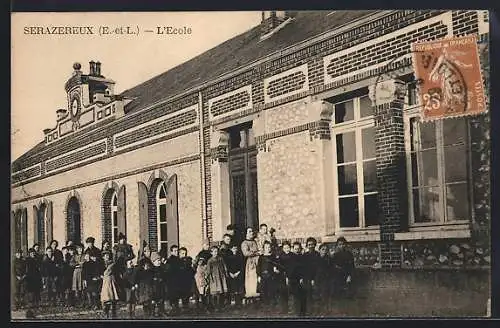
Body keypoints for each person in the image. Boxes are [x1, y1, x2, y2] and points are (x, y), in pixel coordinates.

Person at [205, 246, 228, 311]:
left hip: (220, 277)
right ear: (211, 253)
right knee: (214, 293)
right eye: (214, 252)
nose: (216, 253)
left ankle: (219, 306)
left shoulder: (220, 259)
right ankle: (214, 306)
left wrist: (225, 274)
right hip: (214, 278)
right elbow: (208, 270)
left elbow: (224, 266)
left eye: (217, 251)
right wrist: (208, 277)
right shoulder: (210, 260)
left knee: (220, 292)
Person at [257, 241, 279, 307]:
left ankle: (272, 301)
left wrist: (275, 268)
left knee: (271, 288)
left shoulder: (273, 256)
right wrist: (259, 275)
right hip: (263, 275)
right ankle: (265, 302)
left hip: (271, 275)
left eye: (269, 247)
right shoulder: (261, 257)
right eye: (266, 247)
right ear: (264, 248)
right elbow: (258, 267)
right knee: (263, 288)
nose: (268, 248)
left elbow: (275, 264)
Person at [302, 237, 320, 315]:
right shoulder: (305, 255)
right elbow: (303, 268)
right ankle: (309, 311)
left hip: (316, 278)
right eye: (309, 245)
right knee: (307, 295)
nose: (311, 246)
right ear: (307, 246)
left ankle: (316, 311)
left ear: (315, 245)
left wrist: (314, 278)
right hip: (307, 278)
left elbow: (318, 268)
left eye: (312, 244)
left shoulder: (317, 255)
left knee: (315, 295)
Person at [241, 227, 260, 301]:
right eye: (249, 231)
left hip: (257, 261)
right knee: (251, 278)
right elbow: (246, 253)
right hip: (250, 263)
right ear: (246, 233)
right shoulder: (244, 243)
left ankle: (256, 295)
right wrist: (256, 253)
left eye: (252, 231)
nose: (251, 233)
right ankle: (250, 295)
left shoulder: (254, 242)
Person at [100, 251, 120, 319]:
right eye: (105, 256)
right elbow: (99, 271)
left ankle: (113, 313)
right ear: (103, 257)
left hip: (111, 281)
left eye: (108, 255)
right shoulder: (101, 264)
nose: (107, 257)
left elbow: (114, 272)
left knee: (112, 296)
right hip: (103, 282)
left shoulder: (112, 264)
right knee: (105, 297)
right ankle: (105, 312)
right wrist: (101, 275)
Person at [316, 243, 334, 314]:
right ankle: (318, 310)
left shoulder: (329, 259)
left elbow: (331, 270)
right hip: (317, 279)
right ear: (319, 250)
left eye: (326, 250)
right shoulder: (316, 259)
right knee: (317, 295)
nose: (324, 251)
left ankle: (325, 310)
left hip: (326, 280)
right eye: (322, 249)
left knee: (325, 295)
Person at [136, 254, 155, 318]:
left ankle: (151, 314)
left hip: (149, 289)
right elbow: (138, 281)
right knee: (145, 302)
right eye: (145, 265)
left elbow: (152, 281)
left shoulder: (151, 272)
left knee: (150, 302)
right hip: (143, 290)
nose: (147, 266)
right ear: (143, 266)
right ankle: (146, 314)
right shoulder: (140, 273)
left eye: (148, 265)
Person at [166, 245, 182, 314]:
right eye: (175, 251)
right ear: (171, 252)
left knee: (177, 295)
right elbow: (168, 271)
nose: (176, 252)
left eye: (177, 251)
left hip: (178, 280)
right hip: (171, 281)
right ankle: (173, 308)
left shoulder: (179, 260)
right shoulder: (169, 260)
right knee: (172, 295)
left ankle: (176, 308)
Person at [150, 252, 165, 317]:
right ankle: (152, 312)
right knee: (153, 301)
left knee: (161, 300)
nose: (159, 262)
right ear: (153, 261)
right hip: (154, 288)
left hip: (161, 287)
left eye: (160, 260)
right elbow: (149, 279)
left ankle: (161, 311)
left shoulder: (161, 269)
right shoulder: (151, 270)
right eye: (158, 260)